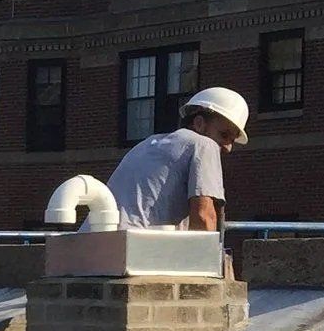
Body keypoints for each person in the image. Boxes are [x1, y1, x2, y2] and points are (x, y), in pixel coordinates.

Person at [105, 85, 249, 233]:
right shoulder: (204, 144)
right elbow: (203, 218)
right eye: (224, 135)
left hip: (99, 237)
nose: (228, 147)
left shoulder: (148, 144)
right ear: (199, 123)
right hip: (137, 243)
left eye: (232, 140)